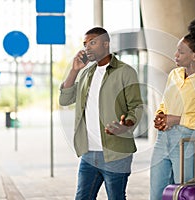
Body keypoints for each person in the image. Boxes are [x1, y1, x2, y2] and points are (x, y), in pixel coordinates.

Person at [59, 27, 143, 200]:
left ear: (106, 44)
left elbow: (136, 106)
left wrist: (125, 125)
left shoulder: (125, 72)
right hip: (88, 153)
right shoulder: (86, 74)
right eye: (85, 44)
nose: (87, 47)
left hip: (116, 153)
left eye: (92, 42)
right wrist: (74, 70)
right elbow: (65, 100)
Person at [150, 17, 195, 200]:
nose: (175, 55)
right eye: (176, 50)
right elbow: (165, 103)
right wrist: (161, 116)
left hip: (188, 142)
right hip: (162, 140)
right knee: (157, 194)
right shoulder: (174, 75)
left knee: (184, 195)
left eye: (181, 52)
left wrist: (177, 119)